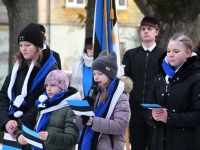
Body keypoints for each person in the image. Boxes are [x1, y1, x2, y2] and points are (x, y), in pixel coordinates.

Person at [0, 23, 58, 150]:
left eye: (27, 45)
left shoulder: (49, 69)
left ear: (37, 46)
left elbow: (45, 100)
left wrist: (20, 124)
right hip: (13, 130)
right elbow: (3, 95)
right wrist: (6, 121)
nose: (23, 49)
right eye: (21, 45)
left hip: (36, 132)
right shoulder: (18, 67)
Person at [143, 33, 200, 150]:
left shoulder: (196, 78)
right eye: (168, 51)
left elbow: (198, 116)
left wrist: (169, 117)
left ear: (188, 54)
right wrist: (153, 116)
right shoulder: (160, 77)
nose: (171, 55)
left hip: (185, 144)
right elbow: (147, 110)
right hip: (159, 144)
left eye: (176, 51)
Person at [122, 16, 166, 150]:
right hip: (135, 109)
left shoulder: (164, 54)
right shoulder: (130, 54)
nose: (146, 31)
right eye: (143, 29)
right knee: (137, 145)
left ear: (156, 32)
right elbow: (124, 77)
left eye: (150, 29)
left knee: (155, 145)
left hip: (156, 108)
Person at [76, 50, 132, 150]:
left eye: (100, 73)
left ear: (109, 73)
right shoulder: (95, 93)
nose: (96, 77)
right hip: (92, 144)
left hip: (110, 146)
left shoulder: (120, 96)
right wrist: (82, 110)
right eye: (94, 74)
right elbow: (81, 125)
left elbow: (120, 125)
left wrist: (93, 122)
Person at [16, 70, 80, 150]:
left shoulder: (70, 108)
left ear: (62, 87)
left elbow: (72, 139)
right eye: (46, 85)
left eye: (53, 85)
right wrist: (22, 136)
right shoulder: (44, 105)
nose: (48, 89)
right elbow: (37, 131)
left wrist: (50, 137)